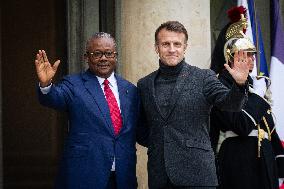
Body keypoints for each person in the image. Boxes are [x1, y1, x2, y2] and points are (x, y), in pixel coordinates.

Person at [137, 20, 251, 189]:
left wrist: (240, 85)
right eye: (165, 44)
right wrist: (161, 144)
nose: (171, 49)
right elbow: (142, 128)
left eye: (177, 44)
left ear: (185, 47)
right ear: (156, 48)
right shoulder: (144, 84)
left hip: (198, 175)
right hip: (159, 175)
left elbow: (230, 104)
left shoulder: (204, 77)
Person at [34, 32, 140, 189]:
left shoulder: (130, 90)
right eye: (97, 53)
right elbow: (54, 98)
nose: (103, 58)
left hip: (122, 178)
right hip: (85, 175)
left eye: (108, 53)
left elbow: (139, 130)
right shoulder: (74, 84)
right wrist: (46, 84)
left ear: (115, 56)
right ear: (86, 57)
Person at [209, 6, 284, 189]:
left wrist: (280, 164)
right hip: (238, 162)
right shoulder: (218, 85)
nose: (251, 60)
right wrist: (257, 96)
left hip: (264, 164)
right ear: (230, 57)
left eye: (252, 55)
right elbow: (241, 125)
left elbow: (269, 130)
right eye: (244, 55)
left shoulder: (255, 86)